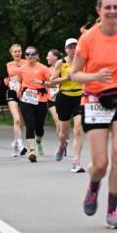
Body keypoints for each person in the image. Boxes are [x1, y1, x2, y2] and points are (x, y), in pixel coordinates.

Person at [69, 0, 117, 229]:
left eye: (116, 7)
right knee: (100, 164)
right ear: (99, 11)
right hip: (93, 101)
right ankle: (93, 185)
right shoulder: (88, 39)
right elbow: (74, 74)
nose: (112, 11)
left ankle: (112, 212)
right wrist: (95, 75)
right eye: (107, 7)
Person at [49, 38, 85, 172]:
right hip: (64, 97)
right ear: (65, 50)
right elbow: (52, 81)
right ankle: (62, 145)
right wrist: (66, 78)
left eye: (75, 47)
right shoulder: (61, 63)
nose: (73, 49)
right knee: (64, 132)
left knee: (78, 130)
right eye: (70, 47)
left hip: (80, 97)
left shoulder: (83, 61)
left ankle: (76, 162)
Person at [17, 46, 50, 162]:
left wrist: (41, 82)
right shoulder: (21, 69)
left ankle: (39, 141)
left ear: (37, 55)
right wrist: (18, 89)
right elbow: (20, 81)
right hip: (26, 99)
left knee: (39, 127)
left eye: (32, 54)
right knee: (29, 124)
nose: (30, 56)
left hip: (41, 99)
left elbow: (53, 83)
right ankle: (32, 151)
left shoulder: (44, 68)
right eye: (27, 54)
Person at [4, 43, 26, 157]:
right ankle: (21, 145)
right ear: (11, 53)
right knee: (16, 120)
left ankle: (15, 144)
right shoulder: (8, 64)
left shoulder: (26, 62)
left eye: (19, 51)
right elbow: (10, 77)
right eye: (15, 51)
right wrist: (6, 80)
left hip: (23, 92)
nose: (17, 53)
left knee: (21, 122)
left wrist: (21, 86)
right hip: (12, 92)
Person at [46, 49, 64, 139]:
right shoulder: (47, 70)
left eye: (49, 56)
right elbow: (44, 85)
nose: (46, 58)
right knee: (57, 121)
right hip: (51, 98)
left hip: (63, 97)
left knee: (63, 122)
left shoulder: (63, 68)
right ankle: (61, 144)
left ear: (55, 57)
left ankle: (63, 139)